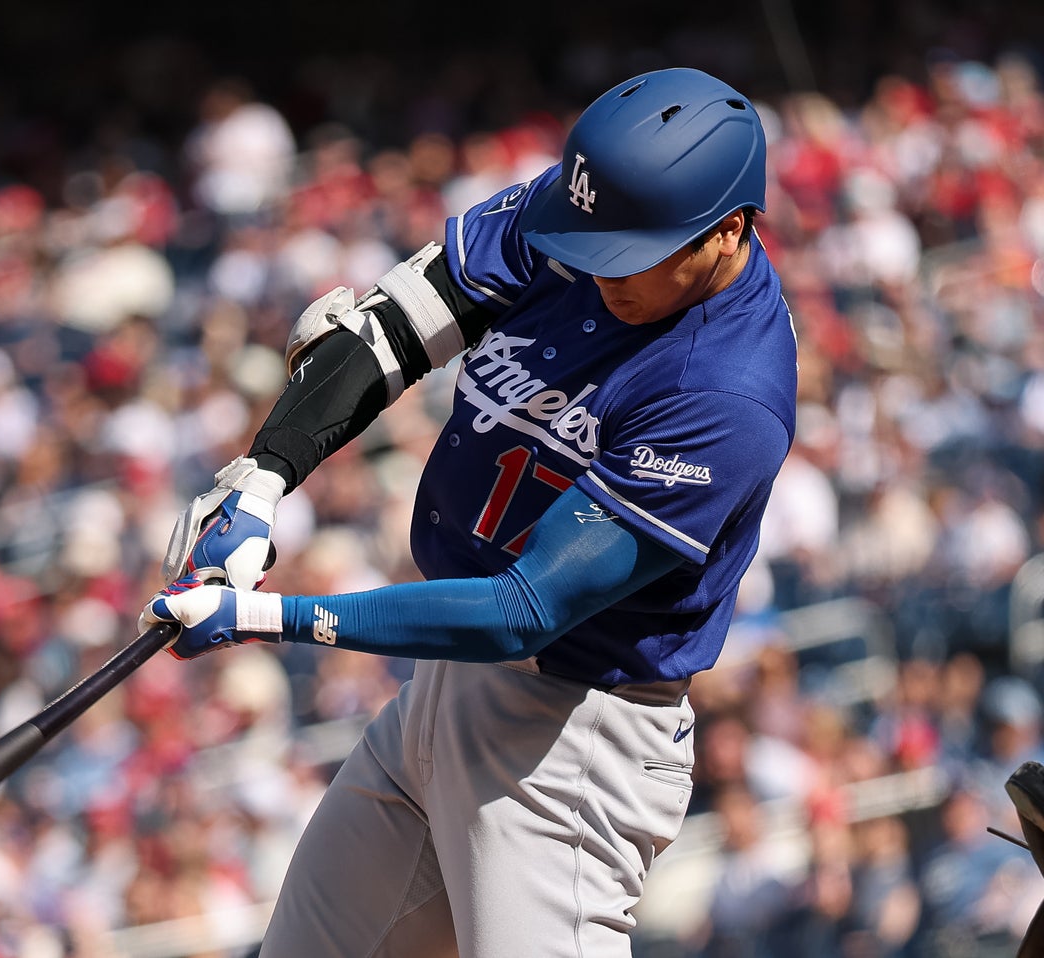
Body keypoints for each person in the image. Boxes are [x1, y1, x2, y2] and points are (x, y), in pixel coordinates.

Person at [141, 66, 797, 957]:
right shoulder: (585, 215)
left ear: (729, 231)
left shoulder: (726, 390)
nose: (600, 272)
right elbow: (396, 329)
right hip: (442, 694)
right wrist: (263, 476)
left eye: (631, 255)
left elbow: (526, 611)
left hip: (572, 744)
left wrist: (266, 615)